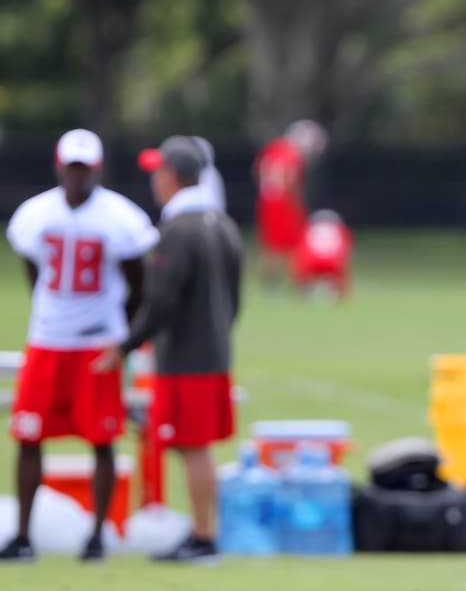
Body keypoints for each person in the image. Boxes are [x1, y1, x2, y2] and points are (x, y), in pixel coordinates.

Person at [2, 129, 158, 562]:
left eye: (85, 169)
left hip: (95, 344)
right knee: (28, 434)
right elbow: (33, 269)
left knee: (102, 438)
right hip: (48, 339)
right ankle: (23, 535)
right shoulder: (36, 214)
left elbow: (138, 284)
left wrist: (121, 337)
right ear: (59, 166)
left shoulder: (119, 217)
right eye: (72, 168)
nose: (78, 177)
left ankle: (97, 535)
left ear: (97, 169)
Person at [96, 136, 243, 563]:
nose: (155, 181)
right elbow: (234, 298)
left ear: (172, 176)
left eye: (159, 172)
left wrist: (124, 346)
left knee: (192, 444)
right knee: (191, 445)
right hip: (212, 351)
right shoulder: (223, 225)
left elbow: (160, 301)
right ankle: (203, 532)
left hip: (186, 358)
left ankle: (203, 536)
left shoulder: (178, 231)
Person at [253, 120, 327, 286]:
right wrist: (297, 201)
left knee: (270, 245)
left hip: (266, 200)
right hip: (283, 202)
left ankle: (270, 284)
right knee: (296, 244)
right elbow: (290, 178)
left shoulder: (272, 148)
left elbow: (257, 171)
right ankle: (301, 281)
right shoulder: (291, 153)